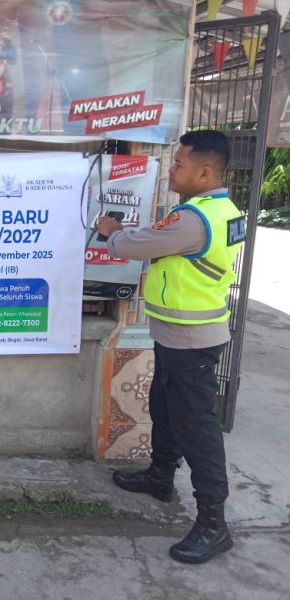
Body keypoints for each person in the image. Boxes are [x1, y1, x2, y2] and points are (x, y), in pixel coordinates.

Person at [96, 129, 245, 564]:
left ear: (205, 172)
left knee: (197, 430)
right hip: (178, 334)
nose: (172, 170)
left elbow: (137, 245)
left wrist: (112, 231)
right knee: (163, 407)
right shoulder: (221, 210)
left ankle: (214, 524)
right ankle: (160, 476)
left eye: (179, 164)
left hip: (191, 341)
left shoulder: (195, 219)